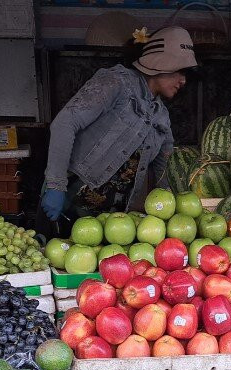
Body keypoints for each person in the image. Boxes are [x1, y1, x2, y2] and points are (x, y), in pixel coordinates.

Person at [40, 26, 196, 232]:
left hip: (113, 223)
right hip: (67, 203)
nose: (183, 81)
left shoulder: (162, 117)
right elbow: (65, 123)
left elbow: (164, 173)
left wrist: (172, 213)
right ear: (160, 63)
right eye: (180, 71)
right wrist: (56, 186)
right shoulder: (116, 82)